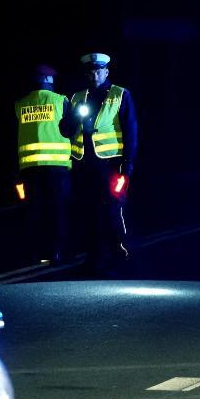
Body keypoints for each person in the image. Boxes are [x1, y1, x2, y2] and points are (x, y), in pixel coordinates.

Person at [64, 52, 138, 274]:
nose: (94, 75)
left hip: (111, 165)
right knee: (89, 212)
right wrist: (75, 118)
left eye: (98, 70)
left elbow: (131, 129)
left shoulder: (120, 94)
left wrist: (128, 163)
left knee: (113, 210)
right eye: (90, 71)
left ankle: (121, 249)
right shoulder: (78, 97)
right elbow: (65, 130)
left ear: (106, 71)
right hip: (85, 166)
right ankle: (94, 256)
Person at [14, 64, 73, 264]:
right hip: (57, 168)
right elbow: (72, 128)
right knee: (57, 211)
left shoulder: (21, 104)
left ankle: (33, 255)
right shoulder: (60, 100)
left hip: (29, 168)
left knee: (33, 211)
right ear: (50, 81)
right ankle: (56, 252)